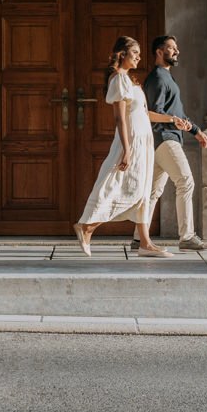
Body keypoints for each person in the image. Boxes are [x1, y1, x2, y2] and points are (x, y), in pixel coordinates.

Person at [73, 36, 188, 259]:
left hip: (145, 142)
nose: (138, 57)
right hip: (132, 141)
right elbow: (120, 119)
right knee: (115, 183)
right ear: (123, 54)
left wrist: (171, 119)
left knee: (143, 189)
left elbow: (144, 114)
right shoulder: (118, 80)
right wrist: (126, 149)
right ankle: (87, 226)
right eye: (134, 53)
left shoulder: (131, 81)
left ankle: (145, 243)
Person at [132, 35, 207, 252]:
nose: (177, 51)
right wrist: (171, 121)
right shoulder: (158, 78)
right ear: (159, 52)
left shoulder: (167, 77)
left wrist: (195, 130)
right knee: (185, 181)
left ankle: (138, 239)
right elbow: (149, 113)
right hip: (165, 139)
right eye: (171, 48)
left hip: (164, 139)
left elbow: (177, 113)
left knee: (152, 192)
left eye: (176, 48)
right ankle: (186, 237)